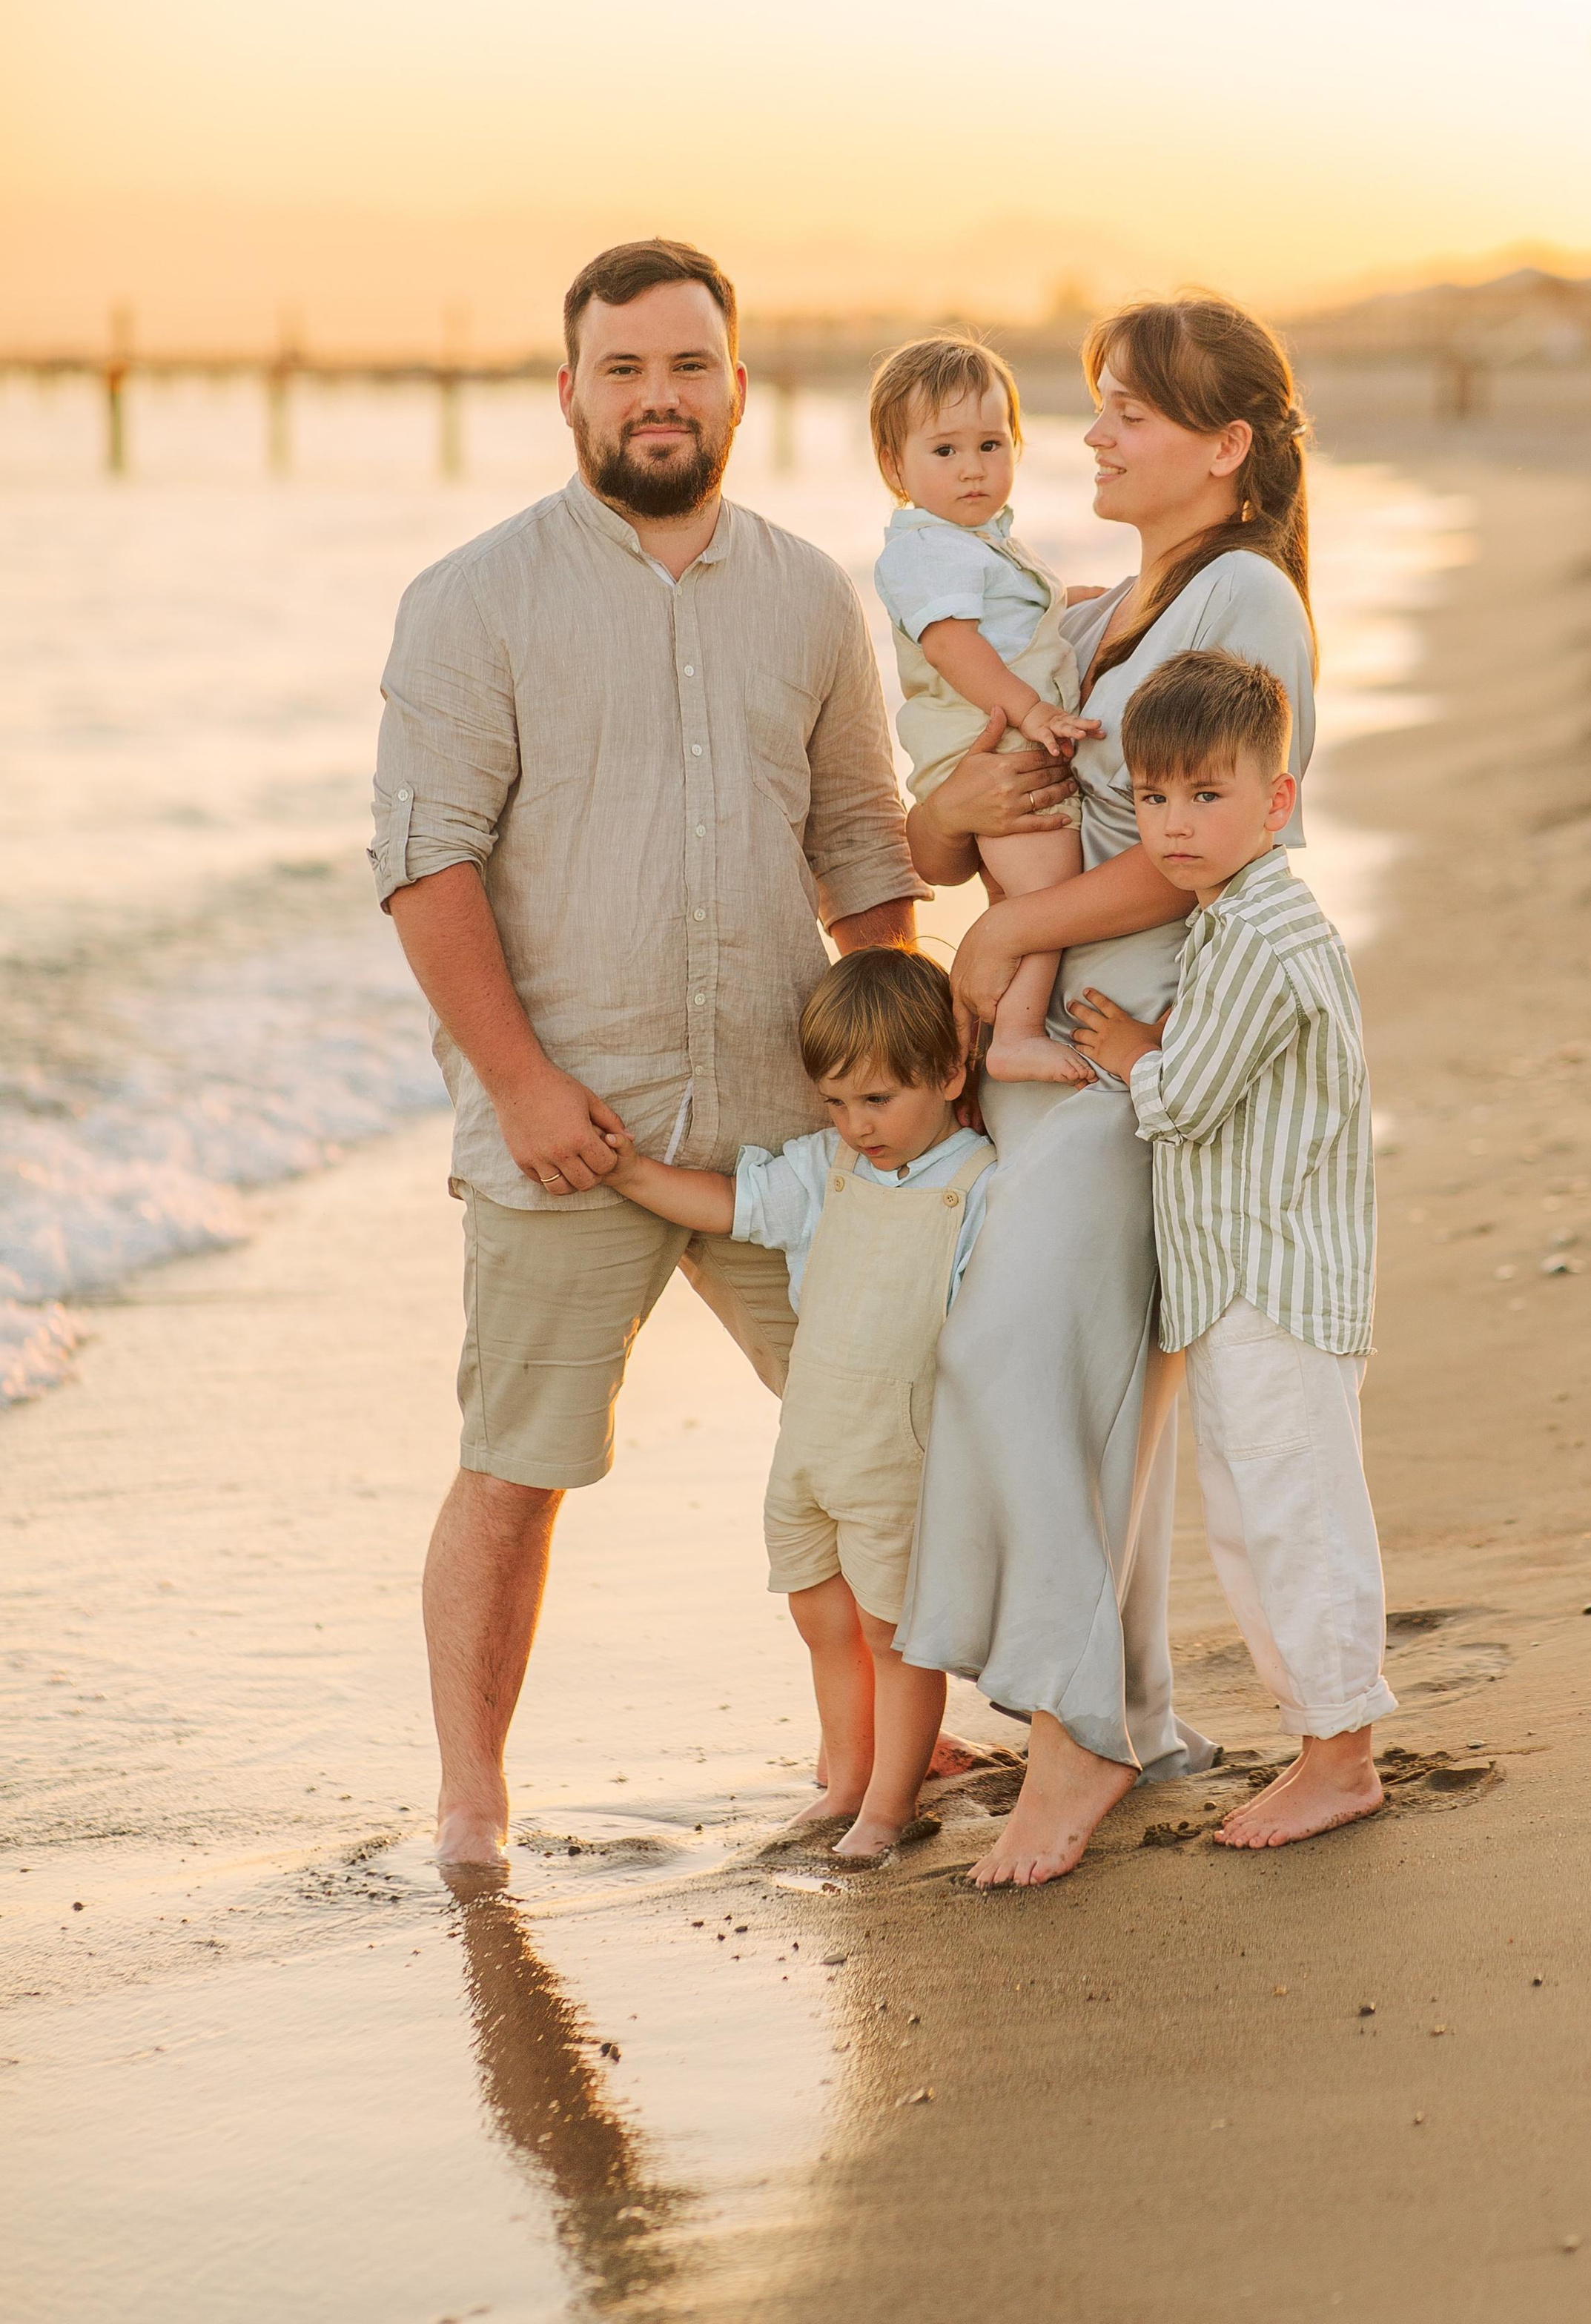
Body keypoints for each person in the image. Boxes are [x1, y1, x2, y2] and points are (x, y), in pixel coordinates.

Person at [369, 236, 924, 1868]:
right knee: (515, 1470)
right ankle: (473, 1803)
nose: (658, 398)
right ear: (569, 394)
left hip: (787, 1124)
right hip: (567, 1121)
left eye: (687, 366)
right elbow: (427, 863)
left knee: (878, 1427)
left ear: (738, 389)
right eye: (623, 369)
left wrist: (890, 1102)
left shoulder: (811, 596)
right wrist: (521, 1086)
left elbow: (862, 854)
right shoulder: (472, 603)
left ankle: (895, 1733)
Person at [897, 293, 1321, 1887]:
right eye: (1091, 405)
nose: (1088, 435)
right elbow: (931, 834)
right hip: (1048, 1057)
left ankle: (1072, 1741)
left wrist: (1003, 921)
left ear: (1222, 446)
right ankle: (1127, 1706)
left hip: (1137, 1062)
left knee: (1007, 1356)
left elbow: (1193, 851)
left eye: (1126, 412)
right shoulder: (1099, 615)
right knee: (1080, 1395)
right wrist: (957, 823)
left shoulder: (1243, 604)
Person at [1068, 648, 1392, 1848]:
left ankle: (1342, 1752)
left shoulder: (1259, 934)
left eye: (1207, 796)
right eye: (1153, 797)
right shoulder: (1232, 917)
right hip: (1242, 1279)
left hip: (1275, 1280)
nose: (1175, 824)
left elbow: (1188, 1100)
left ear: (1278, 800)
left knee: (1295, 1512)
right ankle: (1321, 1731)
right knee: (1254, 1514)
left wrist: (1129, 1056)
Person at [601, 950, 991, 1864]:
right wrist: (627, 1174)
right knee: (819, 1616)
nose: (857, 1125)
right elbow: (731, 1207)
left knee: (895, 1634)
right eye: (835, 1103)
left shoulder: (977, 1182)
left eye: (878, 1101)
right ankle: (845, 1782)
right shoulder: (827, 1169)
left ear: (946, 1074)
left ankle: (889, 1808)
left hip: (899, 1452)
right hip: (811, 1443)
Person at [869, 336, 1101, 1084]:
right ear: (894, 467)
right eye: (944, 450)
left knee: (1020, 892)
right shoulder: (925, 551)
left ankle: (993, 1026)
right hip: (994, 749)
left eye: (991, 443)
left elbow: (1016, 625)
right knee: (1046, 899)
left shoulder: (979, 544)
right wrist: (1032, 711)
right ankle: (1017, 1036)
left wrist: (1077, 606)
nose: (973, 466)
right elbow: (954, 649)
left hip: (1001, 745)